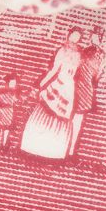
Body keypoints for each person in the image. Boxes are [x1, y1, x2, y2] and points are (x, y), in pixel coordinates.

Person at [18, 28, 83, 160]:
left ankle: (54, 152)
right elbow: (53, 70)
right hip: (58, 84)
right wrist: (41, 84)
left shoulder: (79, 54)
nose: (75, 39)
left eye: (78, 37)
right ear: (69, 35)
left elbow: (77, 74)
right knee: (45, 112)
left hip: (68, 89)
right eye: (73, 35)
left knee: (62, 118)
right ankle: (33, 147)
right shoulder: (62, 50)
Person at [67, 30, 104, 158]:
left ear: (100, 39)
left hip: (85, 91)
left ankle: (71, 150)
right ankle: (66, 148)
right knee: (70, 119)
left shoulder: (100, 55)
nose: (93, 39)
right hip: (76, 87)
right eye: (92, 37)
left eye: (96, 37)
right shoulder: (84, 51)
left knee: (76, 121)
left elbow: (97, 76)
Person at [0, 75, 22, 148]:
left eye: (14, 84)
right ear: (7, 83)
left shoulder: (16, 93)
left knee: (7, 129)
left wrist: (17, 101)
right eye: (12, 83)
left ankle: (4, 145)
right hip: (1, 112)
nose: (13, 85)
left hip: (9, 113)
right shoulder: (1, 92)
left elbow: (18, 101)